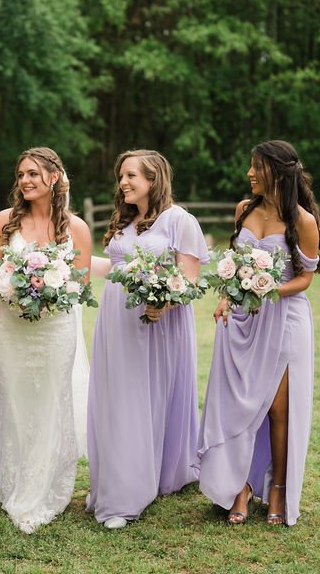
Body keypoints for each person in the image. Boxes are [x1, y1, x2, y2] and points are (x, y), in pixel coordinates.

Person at [196, 139, 320, 526]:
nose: (249, 174)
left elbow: (306, 277)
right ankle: (239, 486)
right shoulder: (244, 209)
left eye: (256, 167)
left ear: (276, 170)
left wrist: (268, 289)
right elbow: (237, 265)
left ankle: (277, 488)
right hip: (241, 319)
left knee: (277, 410)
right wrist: (228, 296)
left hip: (284, 318)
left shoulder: (303, 221)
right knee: (236, 403)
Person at [85, 149, 209, 529]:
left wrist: (162, 306)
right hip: (115, 320)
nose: (123, 183)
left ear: (153, 180)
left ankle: (127, 496)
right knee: (118, 397)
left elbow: (189, 279)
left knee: (142, 398)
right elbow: (115, 266)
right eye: (121, 176)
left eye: (131, 176)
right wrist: (66, 260)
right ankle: (118, 477)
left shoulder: (179, 220)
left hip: (157, 322)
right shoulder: (127, 221)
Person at [0, 147, 92, 534]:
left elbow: (82, 283)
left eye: (33, 174)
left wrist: (48, 297)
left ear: (54, 178)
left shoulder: (75, 228)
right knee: (14, 399)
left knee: (49, 400)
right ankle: (14, 482)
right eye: (21, 174)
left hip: (56, 329)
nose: (25, 180)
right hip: (10, 326)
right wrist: (14, 290)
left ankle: (44, 488)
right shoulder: (3, 222)